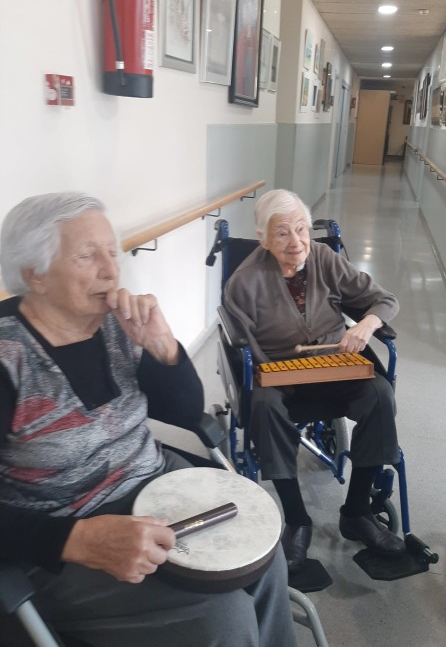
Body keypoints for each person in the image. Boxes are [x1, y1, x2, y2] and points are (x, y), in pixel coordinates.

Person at [0, 192, 297, 647]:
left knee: (264, 559)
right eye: (87, 256)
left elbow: (184, 413)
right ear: (33, 274)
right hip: (59, 538)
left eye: (112, 252)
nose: (111, 270)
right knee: (223, 619)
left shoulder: (117, 324)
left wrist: (163, 348)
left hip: (154, 488)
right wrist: (76, 539)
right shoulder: (9, 360)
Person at [224, 189, 405, 574]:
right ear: (263, 239)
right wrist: (278, 375)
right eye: (282, 232)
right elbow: (244, 349)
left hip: (335, 365)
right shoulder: (245, 281)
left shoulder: (325, 258)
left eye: (302, 229)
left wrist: (366, 325)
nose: (296, 241)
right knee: (263, 406)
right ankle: (297, 519)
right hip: (279, 373)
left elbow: (385, 300)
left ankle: (356, 512)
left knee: (379, 394)